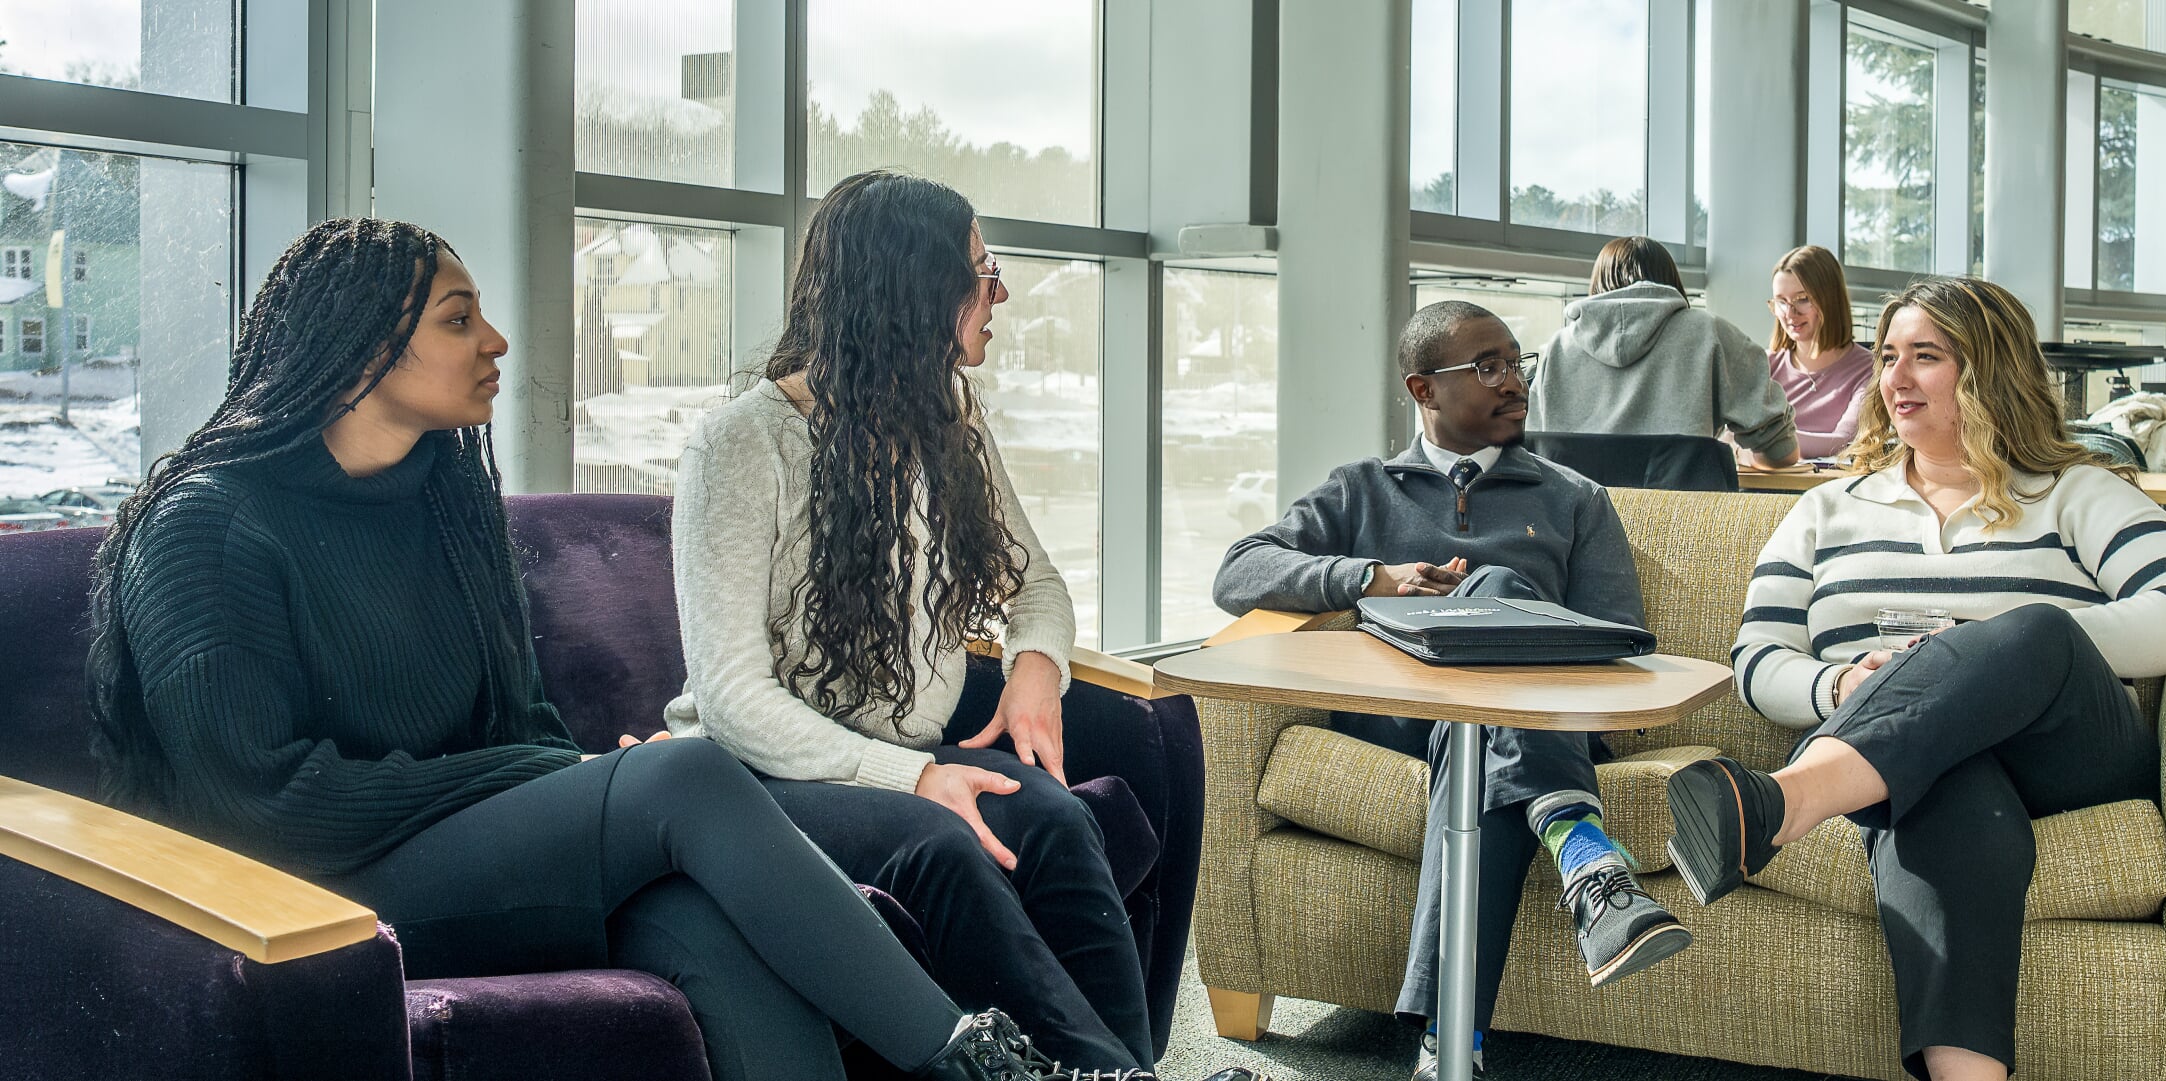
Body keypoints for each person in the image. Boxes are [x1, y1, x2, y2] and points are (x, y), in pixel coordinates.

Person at [85, 218, 1078, 1081]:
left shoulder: (445, 499)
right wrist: (556, 780)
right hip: (302, 895)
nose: (497, 340)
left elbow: (521, 722)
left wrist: (555, 778)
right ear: (358, 351)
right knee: (683, 778)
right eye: (458, 319)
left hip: (450, 859)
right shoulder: (204, 528)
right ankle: (983, 1061)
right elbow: (264, 806)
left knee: (700, 914)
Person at [1672, 277, 2166, 1081]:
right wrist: (1839, 687)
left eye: (1926, 357)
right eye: (1890, 357)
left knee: (2034, 628)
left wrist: (1980, 653)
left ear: (1987, 371)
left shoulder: (2074, 492)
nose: (1895, 378)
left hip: (2066, 755)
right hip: (1901, 763)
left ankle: (1786, 800)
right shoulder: (1824, 510)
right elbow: (1758, 657)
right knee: (1947, 783)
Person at [668, 171, 1159, 1076]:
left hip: (901, 755)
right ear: (910, 291)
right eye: (980, 271)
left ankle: (1130, 1067)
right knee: (943, 840)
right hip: (760, 779)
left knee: (1052, 817)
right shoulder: (740, 445)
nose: (998, 291)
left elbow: (1036, 583)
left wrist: (1035, 669)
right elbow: (733, 700)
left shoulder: (949, 418)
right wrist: (912, 775)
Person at [1214, 300, 1690, 1081]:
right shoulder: (1362, 489)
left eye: (1517, 362)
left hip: (1539, 720)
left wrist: (1505, 621)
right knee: (1491, 628)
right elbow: (1238, 570)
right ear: (1423, 388)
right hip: (1399, 716)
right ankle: (1581, 848)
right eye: (1489, 367)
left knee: (1480, 737)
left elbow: (1622, 641)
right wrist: (1373, 576)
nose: (1515, 382)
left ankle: (1448, 1050)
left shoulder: (1574, 498)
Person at [1526, 235, 1800, 467]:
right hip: (1682, 523)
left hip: (1576, 525)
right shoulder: (1709, 333)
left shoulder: (1558, 349)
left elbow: (1536, 456)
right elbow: (1780, 452)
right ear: (1671, 279)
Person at [1764, 244, 1873, 459]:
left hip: (1829, 489)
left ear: (1830, 300)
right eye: (1781, 302)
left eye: (1802, 299)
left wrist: (1762, 441)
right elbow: (1729, 437)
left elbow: (1844, 442)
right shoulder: (1765, 365)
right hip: (1756, 491)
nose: (1790, 313)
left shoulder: (1869, 370)